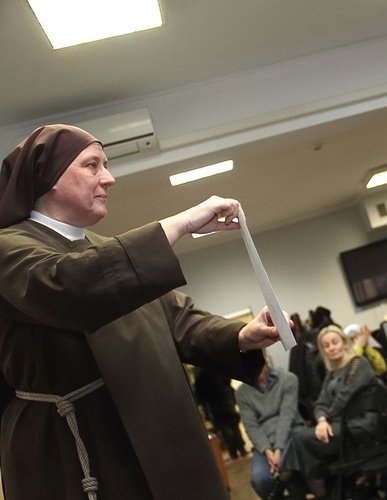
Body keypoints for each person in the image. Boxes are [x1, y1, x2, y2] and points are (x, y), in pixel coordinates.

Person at [0, 124, 286, 500]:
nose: (109, 178)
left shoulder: (102, 247)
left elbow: (174, 316)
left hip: (155, 427)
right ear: (48, 176)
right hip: (82, 444)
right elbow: (68, 286)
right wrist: (179, 223)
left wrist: (237, 335)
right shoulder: (9, 247)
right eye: (92, 166)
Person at [278, 324, 377, 499]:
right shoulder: (332, 372)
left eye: (334, 342)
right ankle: (320, 490)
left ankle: (283, 483)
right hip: (339, 424)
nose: (331, 348)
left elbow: (344, 400)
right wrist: (322, 420)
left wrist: (325, 419)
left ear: (344, 343)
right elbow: (321, 402)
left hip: (362, 424)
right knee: (301, 442)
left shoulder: (357, 364)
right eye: (326, 345)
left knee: (300, 441)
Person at [235, 357, 305, 499]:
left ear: (265, 361)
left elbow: (287, 416)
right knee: (259, 479)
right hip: (265, 441)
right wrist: (268, 451)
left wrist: (278, 449)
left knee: (286, 466)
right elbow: (251, 426)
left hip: (291, 433)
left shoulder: (288, 379)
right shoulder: (241, 393)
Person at [193, 367, 247, 459]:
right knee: (233, 425)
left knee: (224, 429)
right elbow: (227, 380)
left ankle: (233, 451)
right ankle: (241, 449)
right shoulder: (216, 366)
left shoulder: (199, 372)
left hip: (214, 404)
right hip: (225, 399)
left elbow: (199, 393)